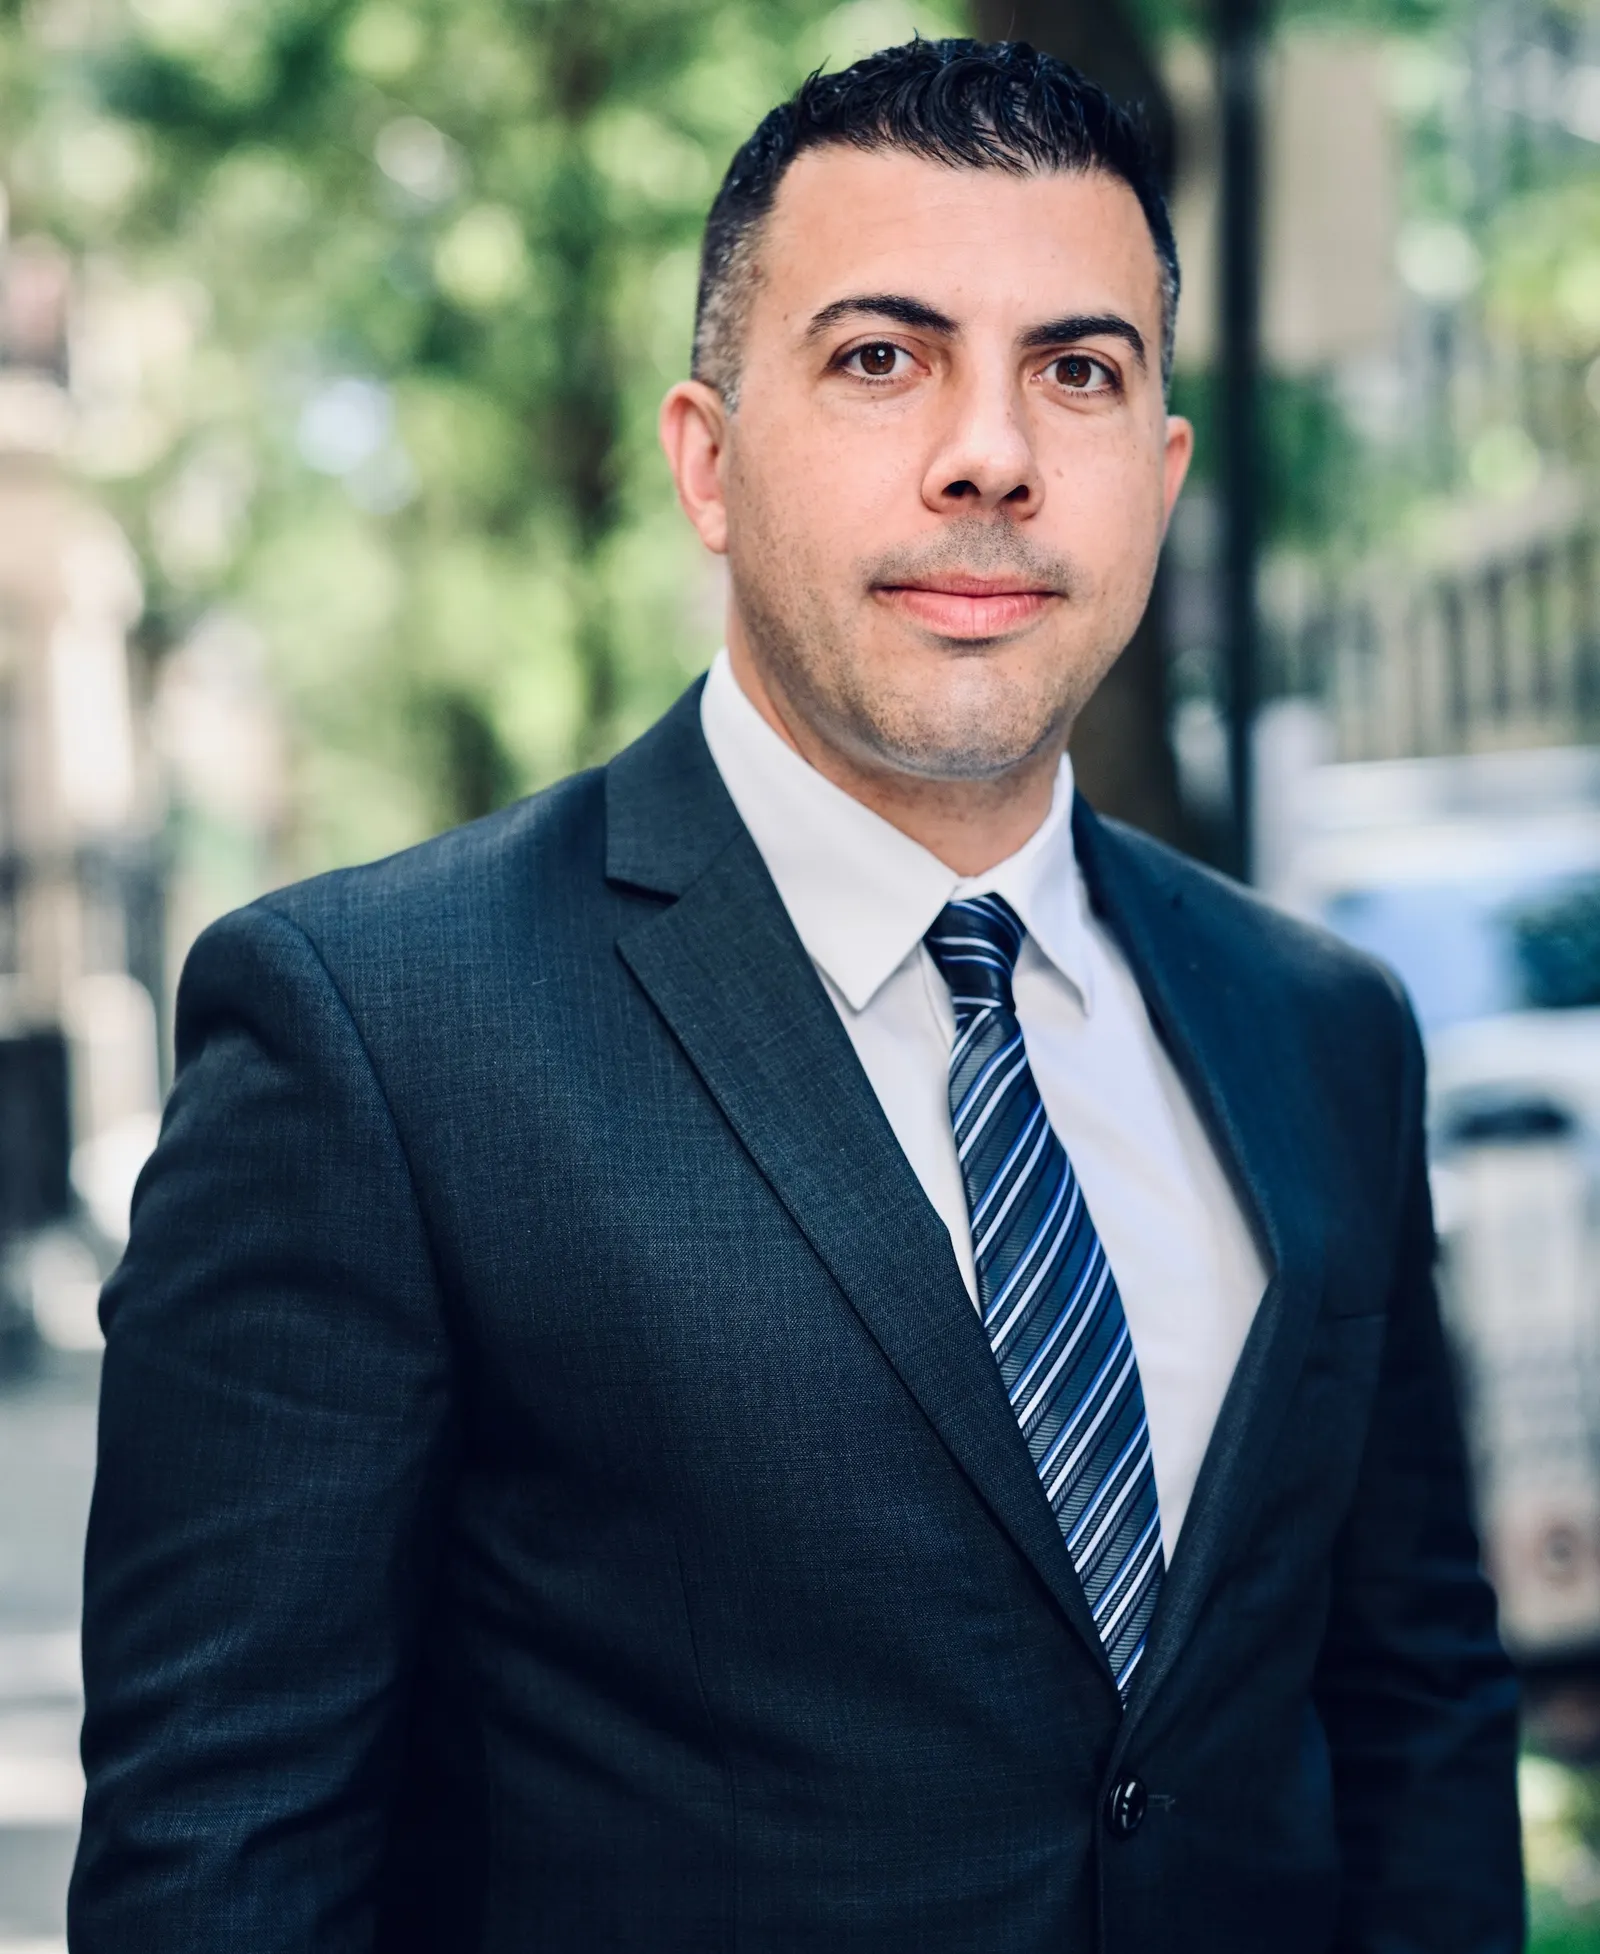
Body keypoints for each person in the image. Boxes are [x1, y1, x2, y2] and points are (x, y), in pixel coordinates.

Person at [69, 38, 1523, 1954]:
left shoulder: (1323, 1026)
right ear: (707, 460)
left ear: (1159, 474)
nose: (991, 450)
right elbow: (224, 1865)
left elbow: (1410, 1720)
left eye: (1076, 370)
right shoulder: (370, 1034)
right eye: (880, 357)